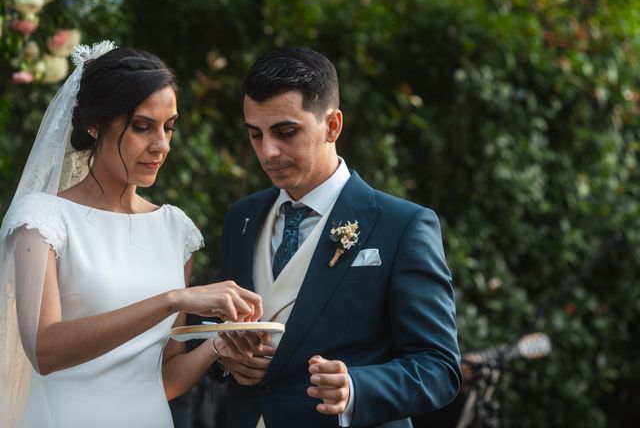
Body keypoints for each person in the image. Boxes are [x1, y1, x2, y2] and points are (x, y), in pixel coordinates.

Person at [0, 42, 262, 428]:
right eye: (142, 127)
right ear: (95, 124)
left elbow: (165, 379)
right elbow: (44, 350)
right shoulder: (43, 219)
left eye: (169, 127)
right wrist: (173, 299)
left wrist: (219, 344)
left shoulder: (175, 229)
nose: (161, 145)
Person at [211, 46, 461, 427]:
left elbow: (440, 367)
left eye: (285, 131)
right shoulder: (240, 218)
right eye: (255, 134)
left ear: (333, 125)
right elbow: (208, 328)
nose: (268, 151)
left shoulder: (404, 225)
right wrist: (223, 357)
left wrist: (357, 388)